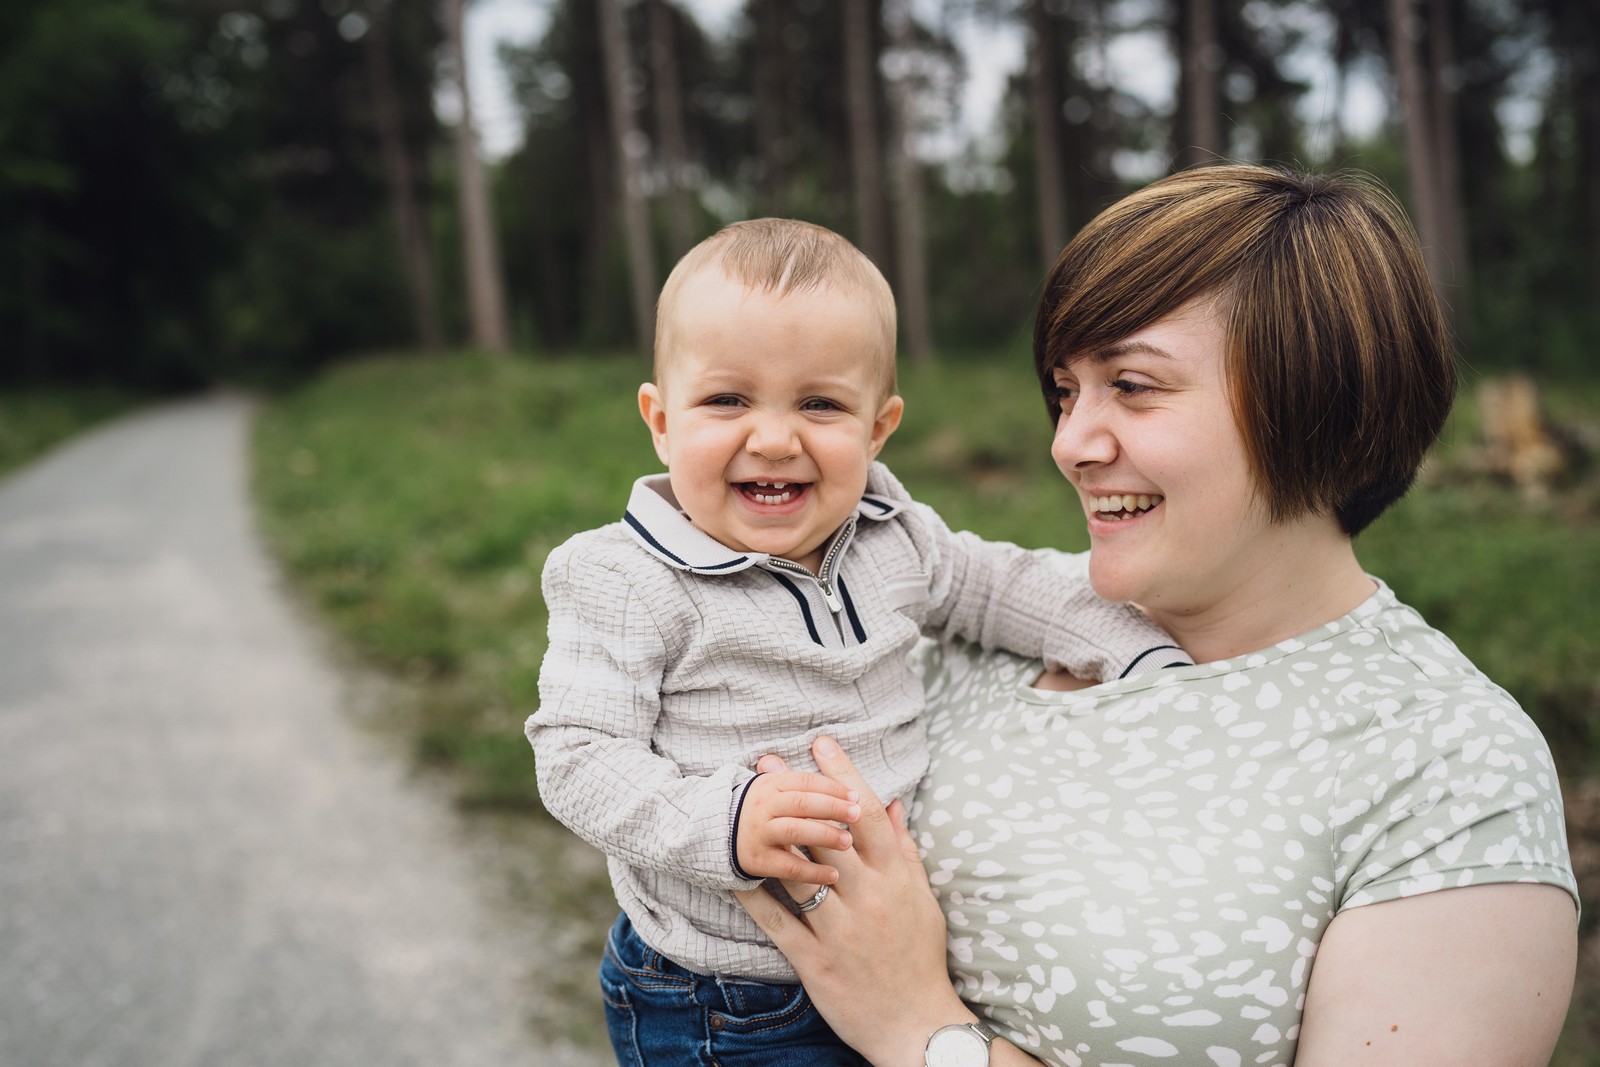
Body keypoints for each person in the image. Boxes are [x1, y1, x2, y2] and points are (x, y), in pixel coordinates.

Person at [736, 165, 1580, 1067]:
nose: (1070, 443)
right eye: (1066, 390)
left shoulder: (1446, 763)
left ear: (1320, 405)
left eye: (1133, 386)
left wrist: (920, 1026)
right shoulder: (978, 629)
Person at [527, 218, 1189, 1066]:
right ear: (661, 419)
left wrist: (1129, 645)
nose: (773, 437)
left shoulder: (889, 534)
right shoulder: (624, 578)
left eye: (820, 403)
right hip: (727, 994)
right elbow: (577, 754)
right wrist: (723, 821)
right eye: (727, 399)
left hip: (893, 961)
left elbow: (996, 587)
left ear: (879, 428)